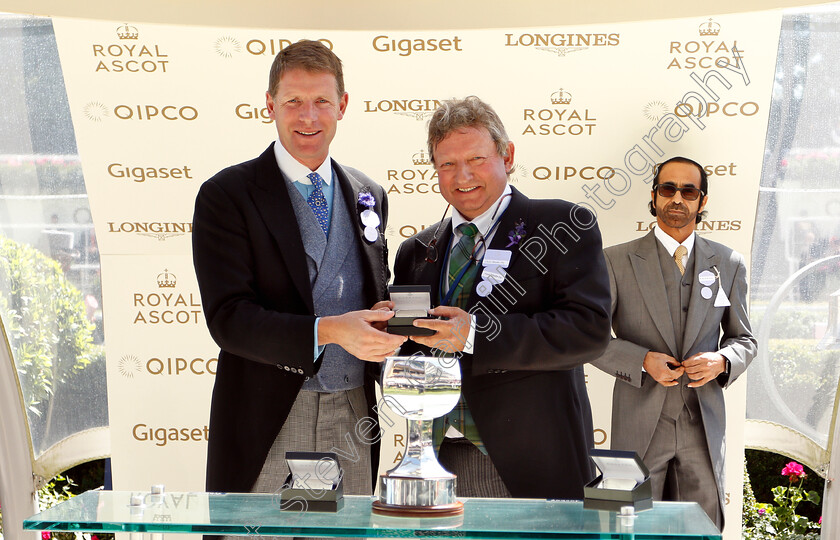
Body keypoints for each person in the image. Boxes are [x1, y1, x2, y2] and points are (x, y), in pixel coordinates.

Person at [192, 40, 406, 498]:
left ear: (342, 106)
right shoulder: (227, 195)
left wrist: (389, 323)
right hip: (268, 415)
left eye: (321, 102)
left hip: (352, 412)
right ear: (270, 105)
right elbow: (229, 319)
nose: (308, 117)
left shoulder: (369, 192)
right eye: (293, 102)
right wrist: (330, 330)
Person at [392, 96, 611, 499]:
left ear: (507, 156)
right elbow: (410, 353)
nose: (463, 175)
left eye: (476, 159)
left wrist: (474, 334)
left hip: (530, 462)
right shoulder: (414, 251)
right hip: (434, 462)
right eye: (447, 164)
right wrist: (386, 334)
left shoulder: (560, 225)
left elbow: (589, 331)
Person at [592, 156, 756, 530]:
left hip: (703, 422)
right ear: (654, 196)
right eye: (668, 189)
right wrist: (641, 359)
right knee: (626, 524)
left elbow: (744, 339)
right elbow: (591, 338)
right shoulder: (614, 261)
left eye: (689, 191)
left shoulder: (729, 263)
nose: (677, 198)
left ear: (702, 200)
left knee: (701, 528)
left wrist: (722, 361)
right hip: (638, 422)